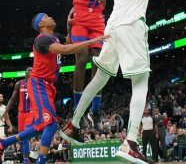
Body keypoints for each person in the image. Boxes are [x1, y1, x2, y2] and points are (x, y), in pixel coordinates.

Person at [60, 0, 156, 164]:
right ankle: (131, 142)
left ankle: (74, 122)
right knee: (140, 83)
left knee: (101, 77)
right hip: (132, 26)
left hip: (111, 29)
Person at [0, 13, 109, 164]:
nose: (51, 17)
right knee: (51, 125)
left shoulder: (54, 36)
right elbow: (65, 50)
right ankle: (41, 161)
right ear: (41, 24)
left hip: (48, 86)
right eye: (46, 16)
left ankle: (4, 143)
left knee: (40, 127)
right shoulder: (42, 40)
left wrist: (69, 26)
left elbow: (68, 41)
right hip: (38, 84)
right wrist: (93, 40)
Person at [68, 0, 107, 129]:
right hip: (81, 19)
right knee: (82, 58)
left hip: (97, 20)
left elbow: (103, 3)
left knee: (98, 63)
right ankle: (78, 109)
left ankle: (96, 110)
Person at [4, 66, 33, 164]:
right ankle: (24, 157)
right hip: (21, 114)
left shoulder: (36, 83)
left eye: (32, 70)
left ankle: (26, 159)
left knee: (25, 136)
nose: (30, 71)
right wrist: (6, 111)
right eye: (29, 69)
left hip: (31, 113)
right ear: (25, 72)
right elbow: (12, 99)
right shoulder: (19, 84)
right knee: (21, 138)